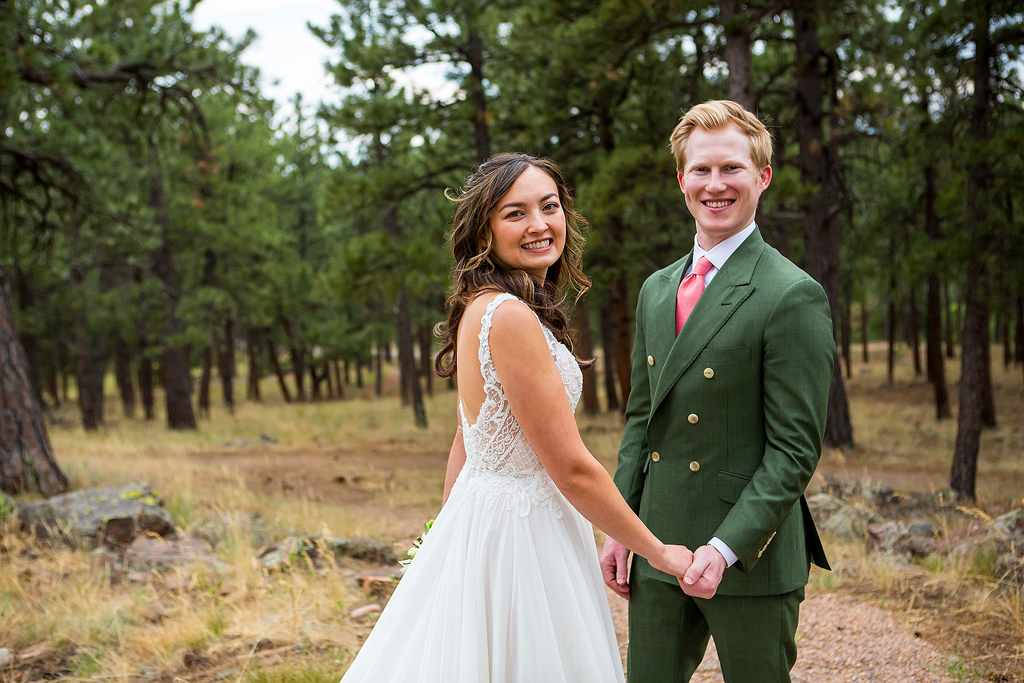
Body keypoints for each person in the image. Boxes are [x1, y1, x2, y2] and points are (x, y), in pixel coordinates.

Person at [339, 152, 694, 683]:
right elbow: (570, 467)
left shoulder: (483, 304)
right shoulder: (509, 316)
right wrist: (660, 552)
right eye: (515, 213)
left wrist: (451, 539)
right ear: (484, 228)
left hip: (493, 523)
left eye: (549, 207)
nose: (538, 225)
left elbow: (468, 437)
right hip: (522, 541)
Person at [599, 100, 835, 683]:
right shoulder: (657, 289)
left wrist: (725, 548)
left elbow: (794, 451)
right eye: (700, 170)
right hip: (659, 545)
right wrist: (622, 526)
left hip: (747, 553)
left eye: (731, 168)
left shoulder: (791, 294)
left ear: (763, 176)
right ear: (681, 180)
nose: (716, 185)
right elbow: (640, 421)